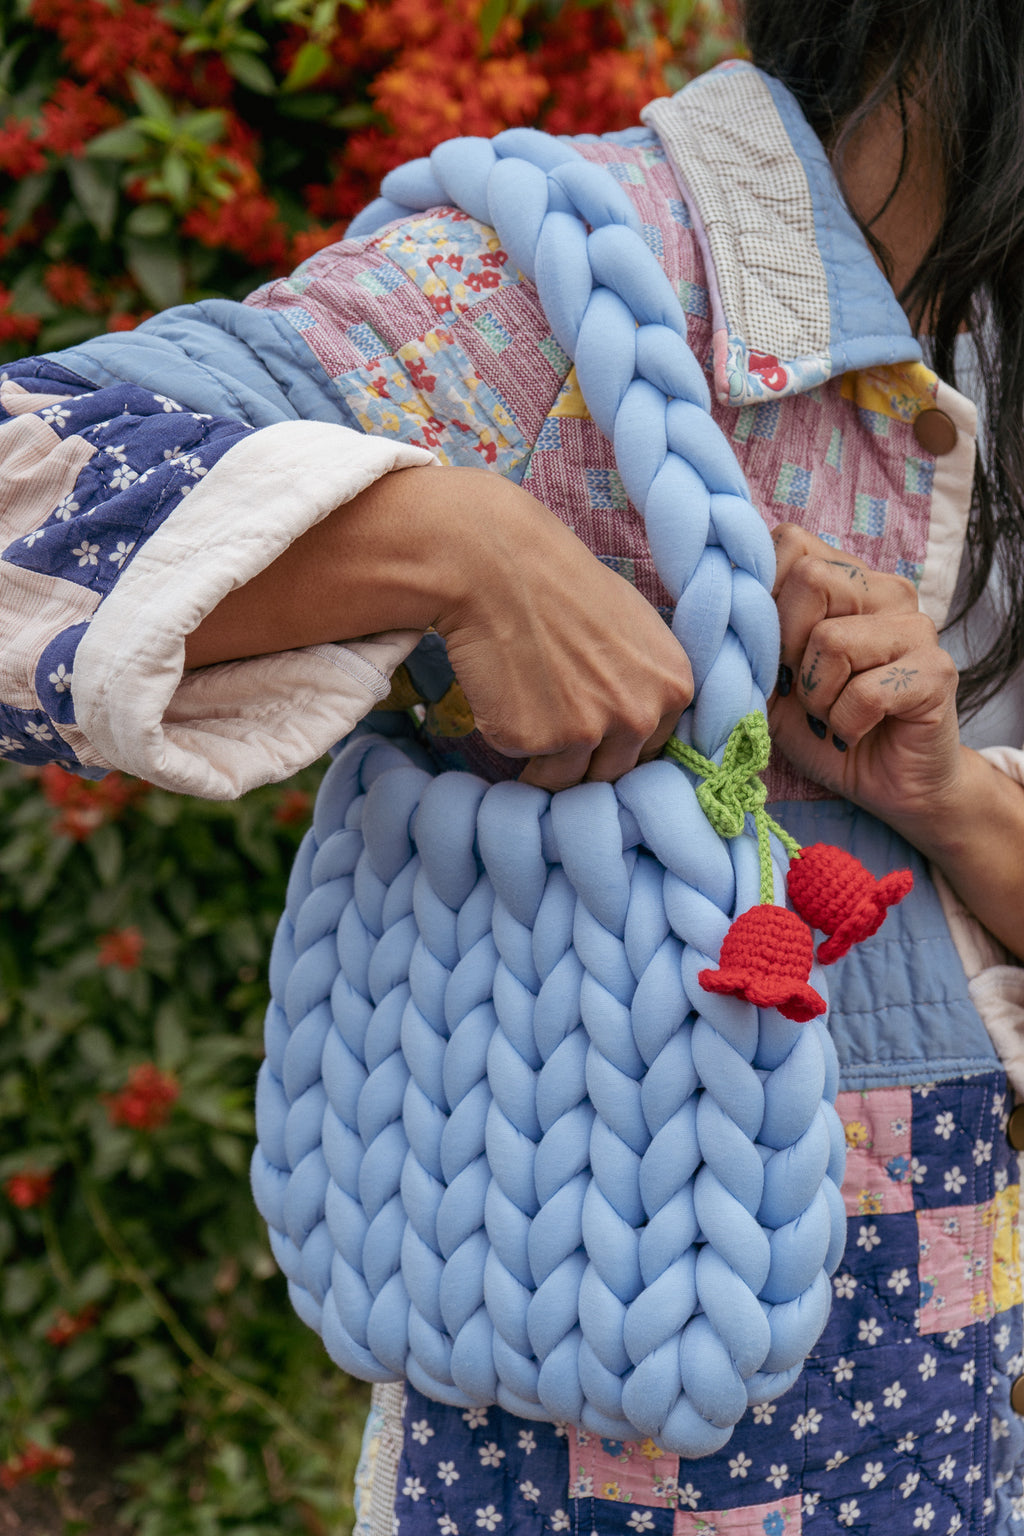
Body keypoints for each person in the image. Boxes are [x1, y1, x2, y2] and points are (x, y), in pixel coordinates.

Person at [2, 0, 1024, 1529]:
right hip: (621, 1437)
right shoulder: (565, 281)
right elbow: (28, 498)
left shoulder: (980, 325)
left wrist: (937, 795)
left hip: (960, 1419)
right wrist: (458, 546)